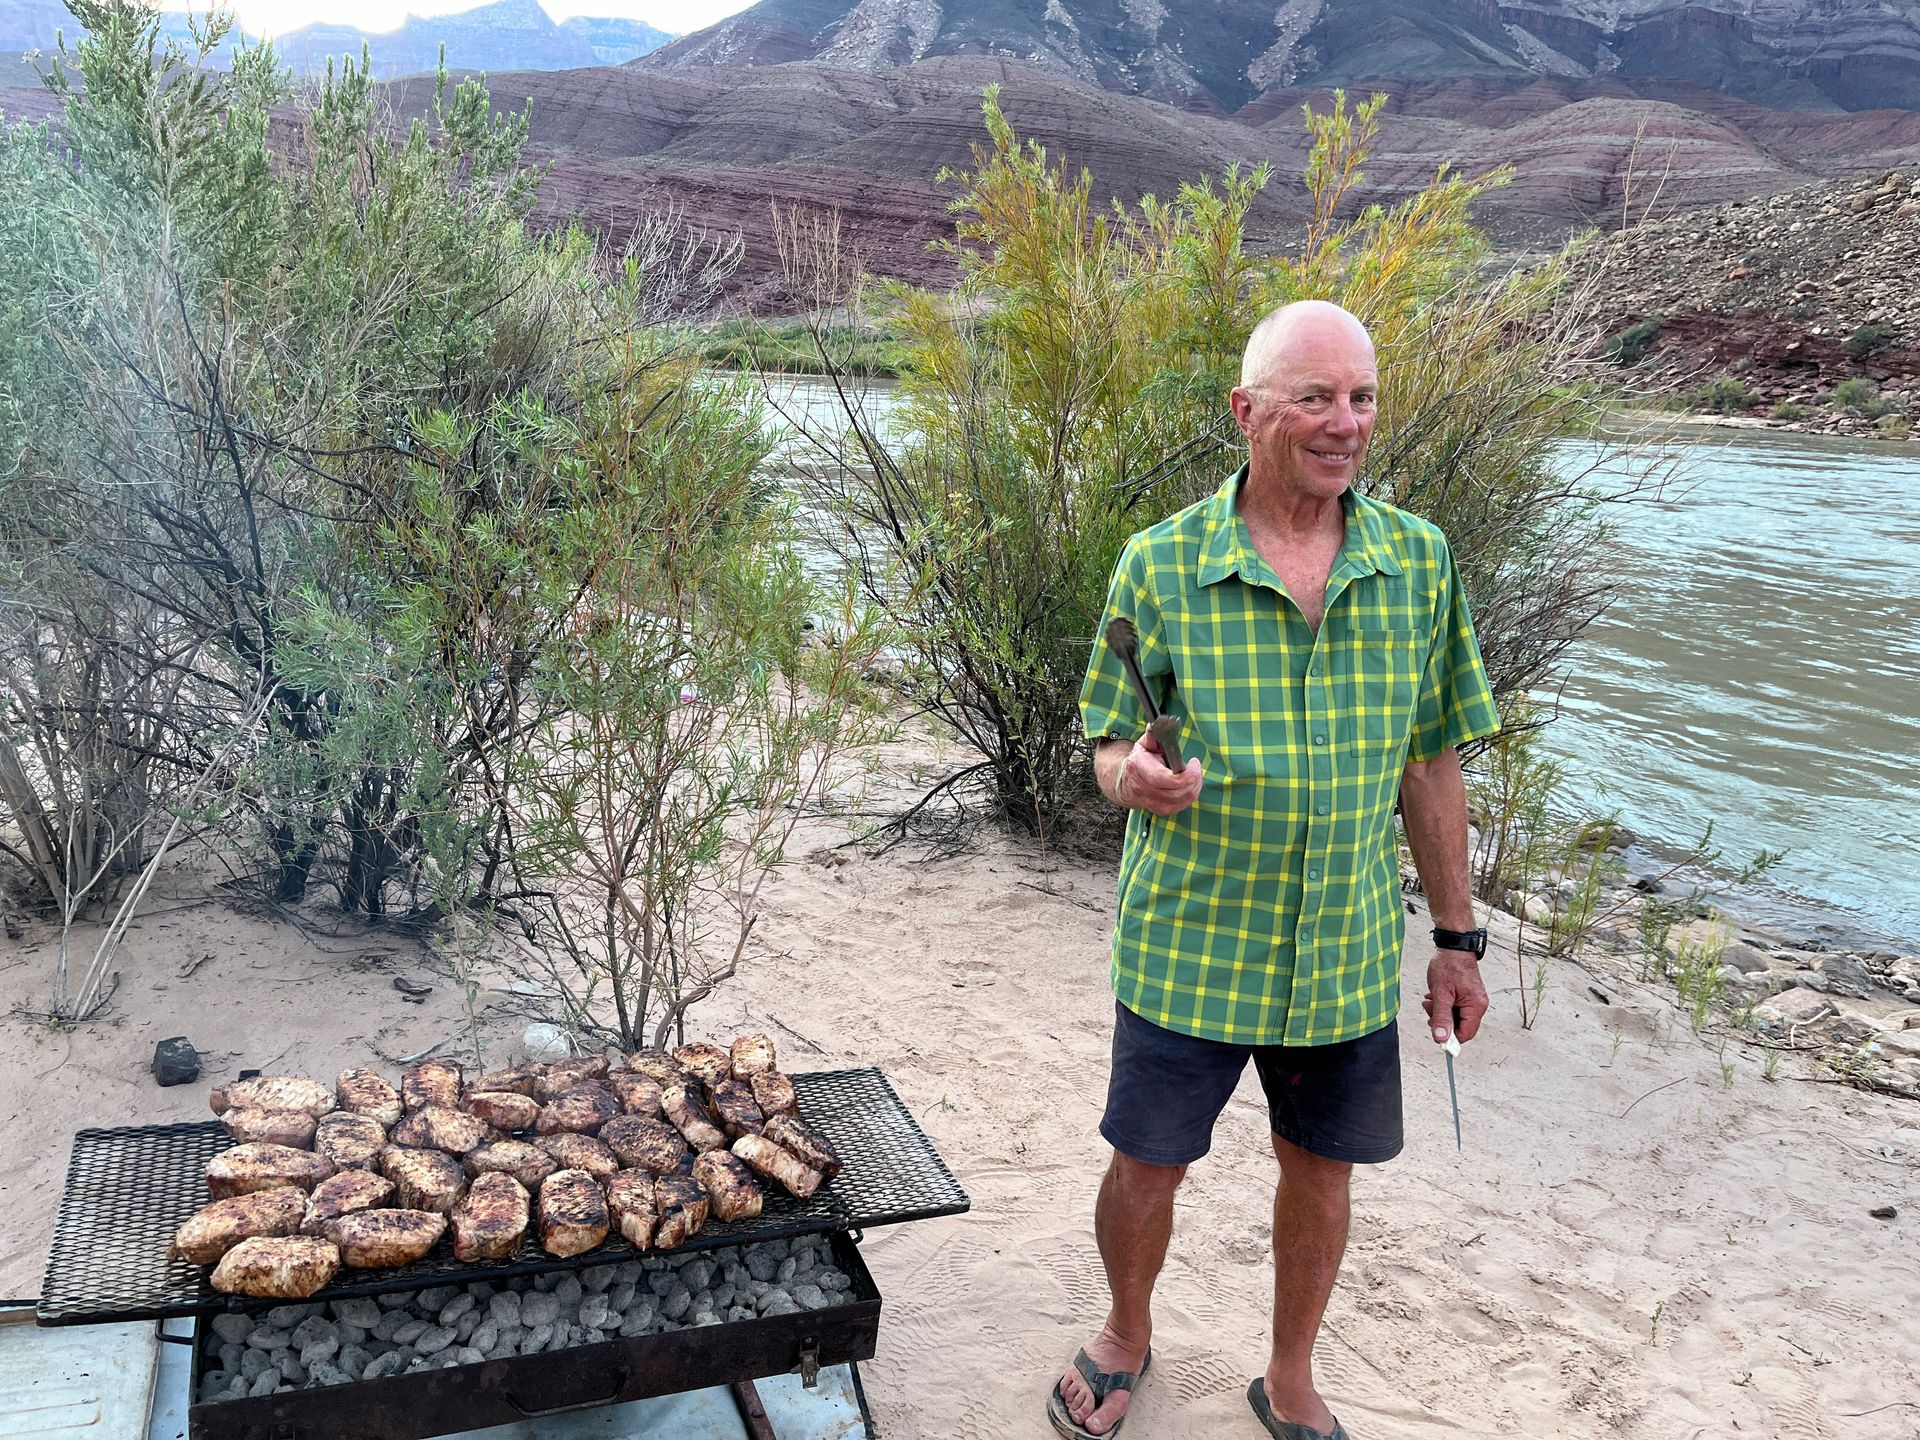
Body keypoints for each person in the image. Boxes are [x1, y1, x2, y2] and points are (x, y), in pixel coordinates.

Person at [1049, 301, 1501, 1440]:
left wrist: (1456, 939)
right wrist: (1130, 778)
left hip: (1343, 948)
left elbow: (1432, 756)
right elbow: (1109, 741)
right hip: (1191, 939)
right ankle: (1124, 1334)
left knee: (1323, 1173)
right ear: (1246, 412)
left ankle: (1290, 1375)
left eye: (1361, 398)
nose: (1343, 423)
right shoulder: (1159, 566)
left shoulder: (1418, 560)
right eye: (1315, 397)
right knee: (1147, 1165)